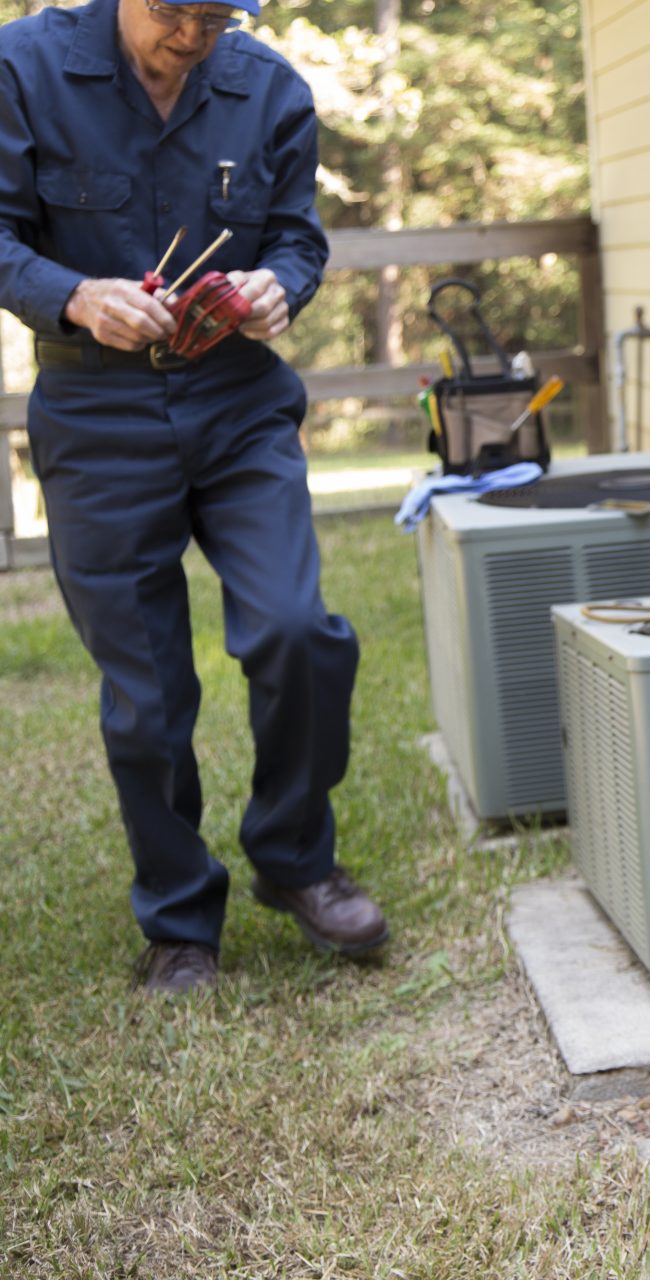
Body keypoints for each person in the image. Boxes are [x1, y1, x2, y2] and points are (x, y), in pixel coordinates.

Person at [0, 0, 387, 993]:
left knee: (298, 629)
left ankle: (295, 857)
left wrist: (277, 288)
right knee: (147, 690)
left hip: (237, 401)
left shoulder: (270, 89)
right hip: (96, 409)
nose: (195, 36)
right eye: (178, 12)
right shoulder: (23, 66)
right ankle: (179, 920)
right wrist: (73, 294)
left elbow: (300, 240)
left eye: (219, 16)